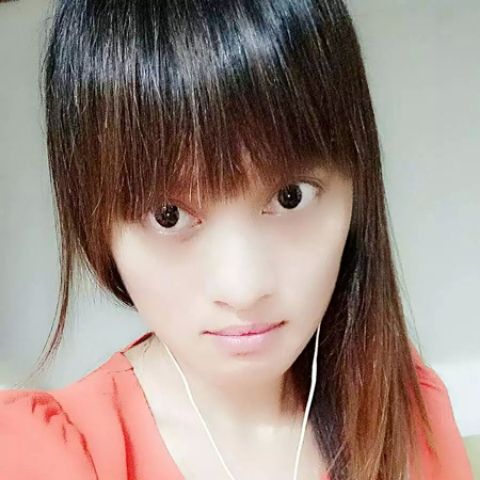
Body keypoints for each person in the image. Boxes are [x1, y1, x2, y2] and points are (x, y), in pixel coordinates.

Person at [0, 0, 473, 479]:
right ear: (93, 219)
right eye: (169, 216)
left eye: (290, 197)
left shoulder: (410, 417)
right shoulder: (44, 459)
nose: (243, 288)